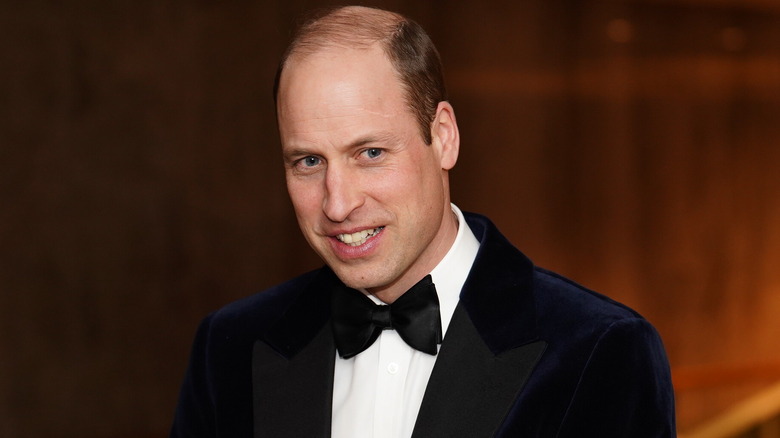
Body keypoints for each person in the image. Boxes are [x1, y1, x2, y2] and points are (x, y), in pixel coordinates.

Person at [170, 5, 676, 437]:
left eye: (369, 152)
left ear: (444, 137)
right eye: (309, 162)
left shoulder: (602, 351)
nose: (338, 204)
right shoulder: (228, 349)